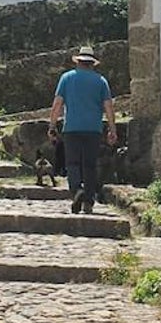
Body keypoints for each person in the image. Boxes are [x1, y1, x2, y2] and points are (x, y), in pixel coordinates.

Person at [48, 45, 117, 214]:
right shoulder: (101, 81)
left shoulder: (67, 78)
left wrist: (52, 126)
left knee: (72, 163)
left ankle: (77, 190)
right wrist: (112, 129)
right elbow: (108, 106)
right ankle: (89, 201)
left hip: (72, 128)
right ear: (92, 64)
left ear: (78, 62)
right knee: (90, 165)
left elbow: (57, 104)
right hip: (93, 129)